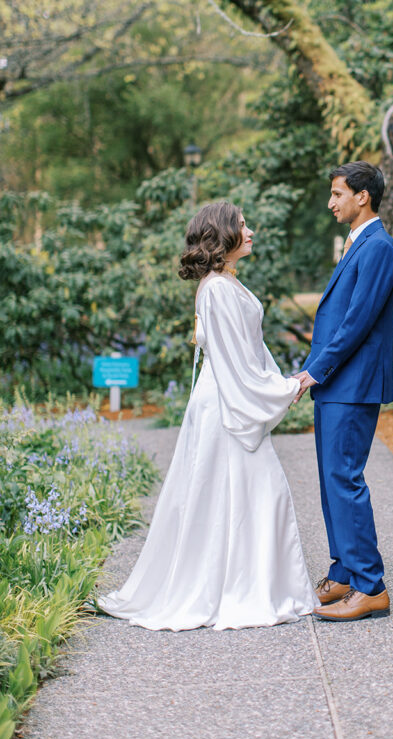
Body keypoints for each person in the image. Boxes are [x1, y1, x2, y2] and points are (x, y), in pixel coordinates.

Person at [98, 201, 317, 631]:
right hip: (224, 404)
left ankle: (248, 585)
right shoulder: (217, 289)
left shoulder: (227, 283)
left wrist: (279, 381)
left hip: (228, 394)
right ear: (223, 235)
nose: (251, 231)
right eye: (242, 225)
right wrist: (285, 387)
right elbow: (234, 359)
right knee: (242, 494)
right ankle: (238, 590)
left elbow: (250, 351)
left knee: (236, 497)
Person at [295, 162, 393, 622]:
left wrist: (315, 370)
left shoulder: (378, 247)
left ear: (364, 197)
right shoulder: (358, 244)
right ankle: (342, 572)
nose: (331, 202)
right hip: (339, 384)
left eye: (338, 194)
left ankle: (370, 585)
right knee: (331, 478)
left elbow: (356, 321)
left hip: (352, 384)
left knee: (345, 478)